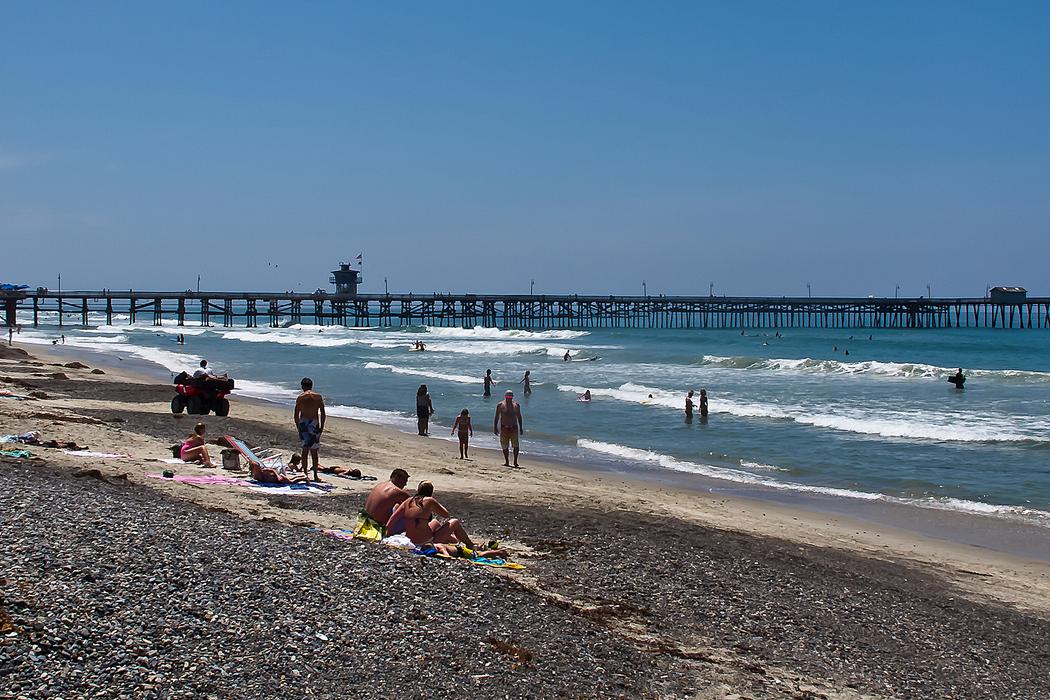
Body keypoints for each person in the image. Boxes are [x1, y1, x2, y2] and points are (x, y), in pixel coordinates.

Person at [386, 480, 476, 548]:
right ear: (431, 492)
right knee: (454, 522)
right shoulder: (429, 501)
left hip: (410, 539)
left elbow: (393, 518)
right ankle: (470, 544)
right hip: (425, 541)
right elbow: (446, 514)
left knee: (435, 522)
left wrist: (386, 534)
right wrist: (433, 506)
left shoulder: (408, 501)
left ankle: (457, 541)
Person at [293, 377, 326, 480]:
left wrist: (299, 427)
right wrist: (321, 427)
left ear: (302, 386)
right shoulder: (318, 397)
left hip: (304, 423)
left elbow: (296, 415)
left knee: (305, 450)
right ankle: (315, 475)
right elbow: (323, 413)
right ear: (312, 386)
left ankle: (306, 474)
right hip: (314, 423)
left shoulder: (301, 397)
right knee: (314, 452)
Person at [365, 468, 411, 533]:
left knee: (396, 504)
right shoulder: (396, 491)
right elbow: (414, 503)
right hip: (378, 527)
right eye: (404, 481)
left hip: (365, 522)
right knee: (402, 508)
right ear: (397, 477)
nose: (405, 484)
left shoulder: (380, 485)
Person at [494, 390, 524, 467]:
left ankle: (515, 461)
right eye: (508, 396)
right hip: (504, 428)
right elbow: (497, 416)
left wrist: (521, 427)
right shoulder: (500, 405)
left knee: (516, 445)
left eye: (510, 397)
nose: (509, 398)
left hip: (514, 428)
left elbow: (519, 417)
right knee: (504, 446)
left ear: (512, 397)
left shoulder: (516, 405)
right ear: (505, 396)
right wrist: (495, 427)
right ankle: (507, 461)